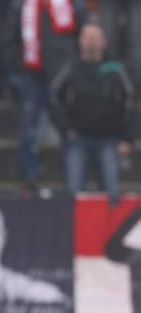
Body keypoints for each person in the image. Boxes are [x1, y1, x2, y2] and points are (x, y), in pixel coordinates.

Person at [6, 0, 86, 194]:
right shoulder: (22, 0)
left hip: (61, 76)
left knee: (66, 128)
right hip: (32, 72)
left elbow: (83, 29)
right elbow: (10, 35)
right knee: (28, 128)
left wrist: (74, 67)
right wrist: (15, 66)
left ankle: (69, 181)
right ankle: (27, 179)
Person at [50, 22, 134, 204]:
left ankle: (112, 231)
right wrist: (65, 129)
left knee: (112, 193)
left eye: (95, 38)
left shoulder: (114, 69)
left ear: (104, 42)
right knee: (73, 193)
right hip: (78, 138)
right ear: (80, 41)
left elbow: (129, 101)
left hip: (108, 139)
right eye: (87, 37)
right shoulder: (71, 67)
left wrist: (126, 137)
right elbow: (54, 96)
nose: (91, 42)